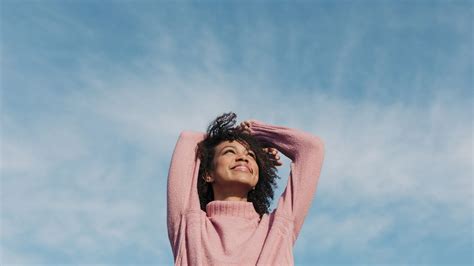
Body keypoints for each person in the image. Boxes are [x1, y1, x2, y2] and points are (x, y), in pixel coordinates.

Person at [167, 112, 325, 265]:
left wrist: (258, 133)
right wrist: (236, 135)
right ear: (208, 173)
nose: (243, 157)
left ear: (257, 178)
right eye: (229, 151)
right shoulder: (189, 224)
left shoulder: (277, 229)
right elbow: (189, 139)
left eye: (251, 155)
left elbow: (311, 148)